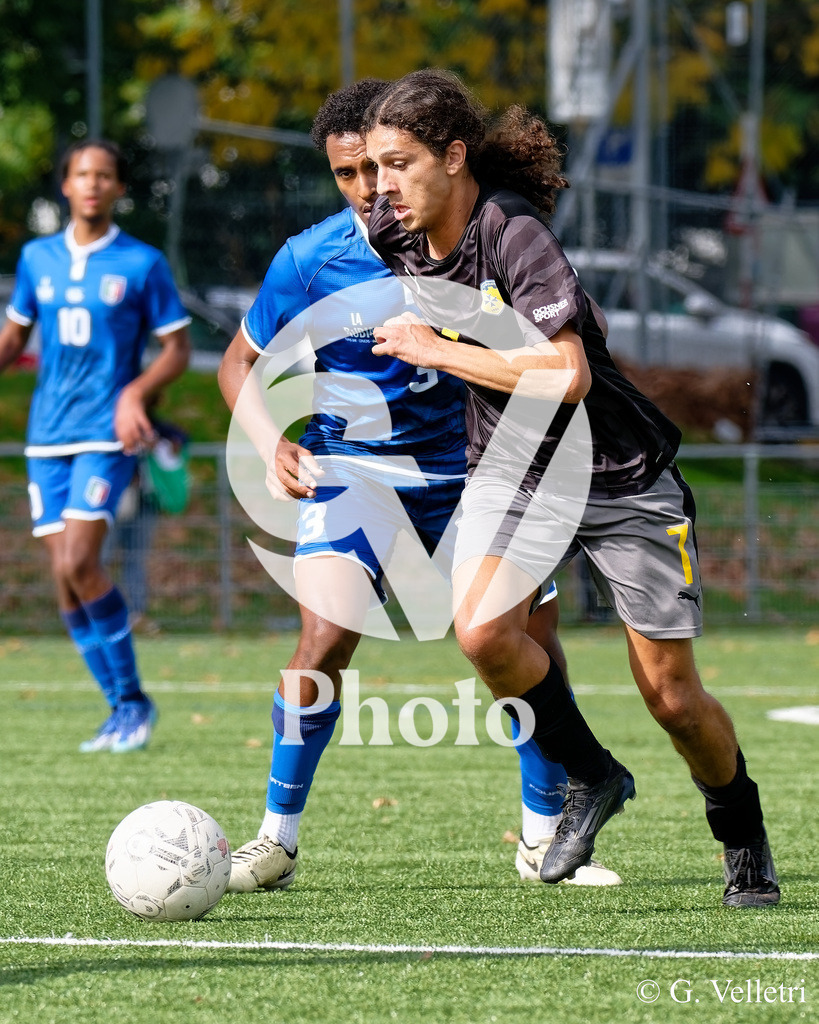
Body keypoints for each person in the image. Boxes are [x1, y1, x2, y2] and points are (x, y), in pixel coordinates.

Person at [364, 68, 778, 908]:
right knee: (483, 633)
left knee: (670, 697)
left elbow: (566, 376)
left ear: (453, 157)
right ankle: (592, 776)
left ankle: (741, 830)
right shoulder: (391, 229)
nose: (381, 185)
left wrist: (437, 349)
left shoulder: (512, 232)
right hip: (515, 470)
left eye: (398, 164)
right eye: (371, 168)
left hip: (619, 473)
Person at [218, 79, 620, 894]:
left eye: (379, 167)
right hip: (355, 471)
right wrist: (269, 441)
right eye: (346, 174)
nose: (367, 188)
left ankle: (544, 835)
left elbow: (550, 350)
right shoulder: (310, 259)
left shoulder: (479, 237)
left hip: (479, 467)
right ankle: (275, 839)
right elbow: (239, 363)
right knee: (323, 639)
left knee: (526, 646)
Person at [0, 139, 191, 752]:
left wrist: (135, 394)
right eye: (82, 174)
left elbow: (177, 350)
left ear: (118, 189)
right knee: (64, 578)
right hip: (46, 434)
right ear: (65, 185)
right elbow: (14, 339)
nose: (92, 184)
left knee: (80, 562)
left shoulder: (142, 263)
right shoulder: (37, 258)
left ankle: (133, 702)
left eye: (104, 175)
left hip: (107, 433)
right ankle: (119, 708)